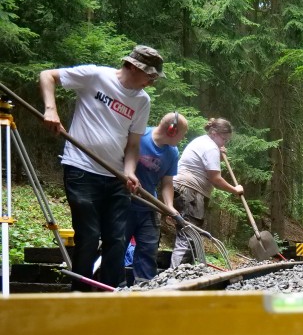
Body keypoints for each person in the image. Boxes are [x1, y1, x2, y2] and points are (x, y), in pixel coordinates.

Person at [40, 45, 165, 290]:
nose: (151, 82)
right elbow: (47, 75)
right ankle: (80, 295)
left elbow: (133, 145)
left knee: (117, 240)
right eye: (149, 76)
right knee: (88, 236)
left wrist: (129, 171)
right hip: (81, 169)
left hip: (116, 177)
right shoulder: (96, 76)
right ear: (133, 66)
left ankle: (107, 295)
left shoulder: (142, 101)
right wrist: (50, 109)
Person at [170, 117, 243, 268]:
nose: (224, 143)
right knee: (189, 236)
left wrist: (218, 150)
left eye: (227, 140)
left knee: (188, 234)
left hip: (183, 189)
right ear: (214, 133)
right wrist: (235, 190)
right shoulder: (210, 147)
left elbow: (204, 166)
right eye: (224, 139)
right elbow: (215, 179)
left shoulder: (203, 142)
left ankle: (183, 275)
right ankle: (175, 277)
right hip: (190, 192)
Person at [124, 112, 188, 284]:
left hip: (148, 207)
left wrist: (169, 206)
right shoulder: (141, 136)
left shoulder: (172, 152)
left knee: (147, 250)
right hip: (124, 203)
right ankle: (112, 287)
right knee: (117, 247)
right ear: (172, 131)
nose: (182, 139)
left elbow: (167, 183)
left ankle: (144, 288)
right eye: (183, 134)